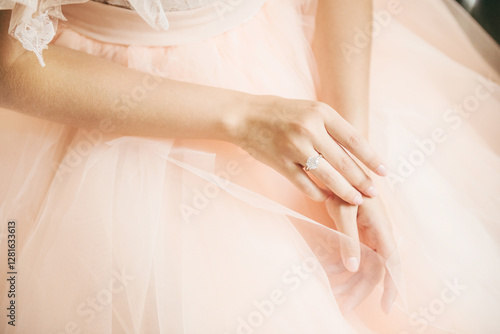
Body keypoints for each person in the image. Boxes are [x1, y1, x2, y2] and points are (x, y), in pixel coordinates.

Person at [0, 0, 499, 333]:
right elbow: (12, 63)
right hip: (114, 101)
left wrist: (348, 154)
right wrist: (246, 119)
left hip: (309, 59)